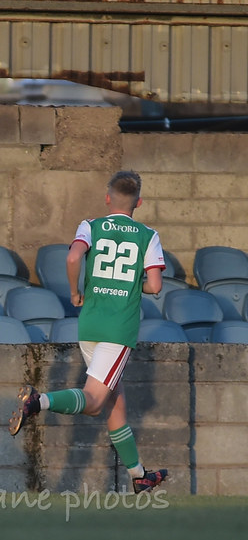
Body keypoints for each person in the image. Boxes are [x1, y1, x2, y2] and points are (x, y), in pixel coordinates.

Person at [9, 170, 168, 494]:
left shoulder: (91, 225)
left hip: (90, 323)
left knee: (114, 403)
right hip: (118, 329)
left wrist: (74, 291)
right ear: (139, 202)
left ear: (108, 198)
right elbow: (155, 285)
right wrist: (131, 283)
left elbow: (72, 256)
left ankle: (139, 476)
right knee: (95, 401)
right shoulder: (147, 235)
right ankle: (38, 402)